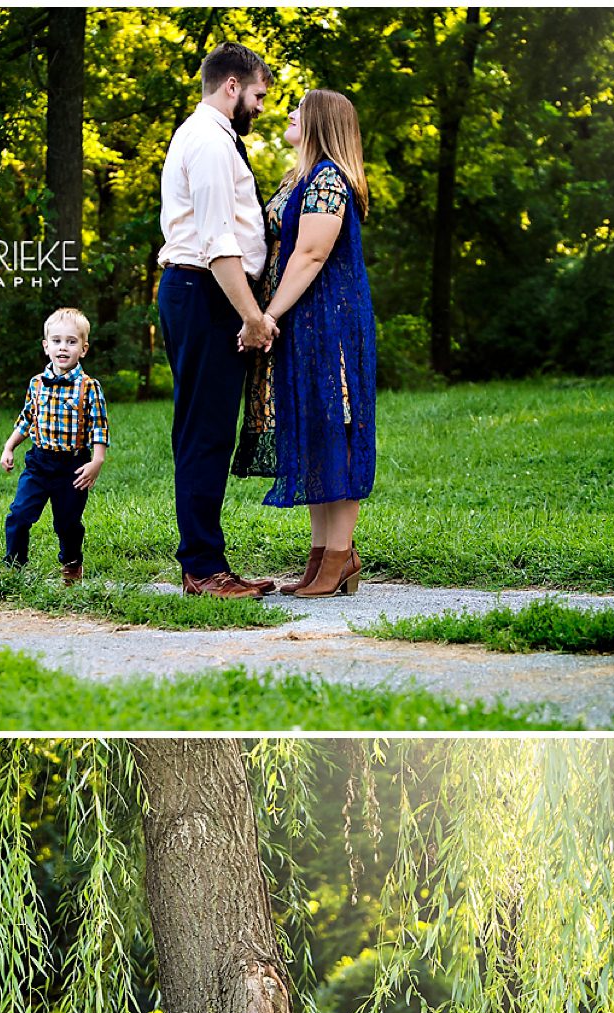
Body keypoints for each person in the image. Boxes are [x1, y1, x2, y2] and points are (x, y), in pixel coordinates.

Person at [232, 90, 377, 598]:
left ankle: (339, 556)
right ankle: (323, 558)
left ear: (320, 121)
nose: (289, 114)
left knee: (335, 432)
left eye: (298, 109)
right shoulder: (299, 176)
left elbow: (312, 255)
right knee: (315, 433)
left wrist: (267, 315)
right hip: (301, 324)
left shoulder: (329, 179)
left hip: (328, 324)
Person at [157, 42, 279, 600]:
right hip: (206, 292)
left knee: (204, 431)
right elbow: (216, 241)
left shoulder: (212, 138)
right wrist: (252, 316)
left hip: (204, 292)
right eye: (257, 95)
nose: (260, 106)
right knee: (204, 434)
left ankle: (206, 563)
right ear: (232, 86)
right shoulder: (207, 141)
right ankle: (203, 571)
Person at [0, 307, 110, 585]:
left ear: (83, 349)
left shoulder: (89, 387)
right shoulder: (37, 384)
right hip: (39, 463)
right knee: (19, 515)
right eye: (57, 341)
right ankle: (15, 566)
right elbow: (27, 419)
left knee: (67, 523)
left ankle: (72, 564)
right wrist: (9, 446)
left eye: (71, 342)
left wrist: (97, 461)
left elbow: (99, 426)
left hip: (73, 466)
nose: (64, 347)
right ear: (46, 346)